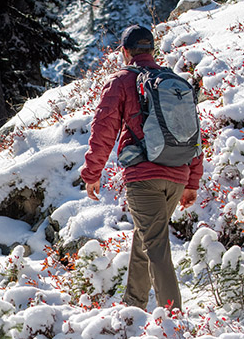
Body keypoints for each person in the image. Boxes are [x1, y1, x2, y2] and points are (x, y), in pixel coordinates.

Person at [80, 24, 202, 311]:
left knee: (156, 246)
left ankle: (172, 317)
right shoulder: (172, 81)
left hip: (144, 176)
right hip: (177, 175)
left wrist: (92, 174)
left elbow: (103, 129)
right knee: (146, 238)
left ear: (125, 52)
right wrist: (192, 181)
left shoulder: (122, 80)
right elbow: (194, 132)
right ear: (152, 50)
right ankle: (133, 307)